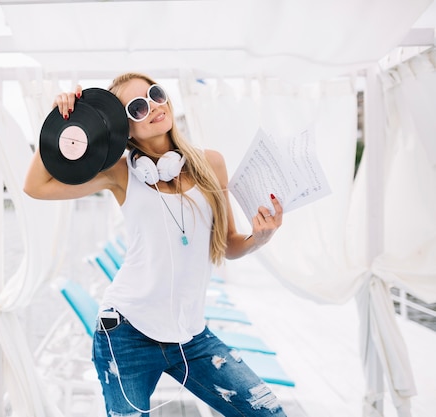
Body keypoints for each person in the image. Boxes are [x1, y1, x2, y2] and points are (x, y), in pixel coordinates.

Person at [24, 72, 286, 416]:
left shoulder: (212, 164)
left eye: (155, 94)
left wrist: (259, 238)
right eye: (137, 107)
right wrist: (63, 122)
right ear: (123, 126)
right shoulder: (119, 173)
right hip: (125, 334)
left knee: (269, 412)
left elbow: (227, 245)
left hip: (192, 336)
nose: (153, 107)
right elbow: (36, 187)